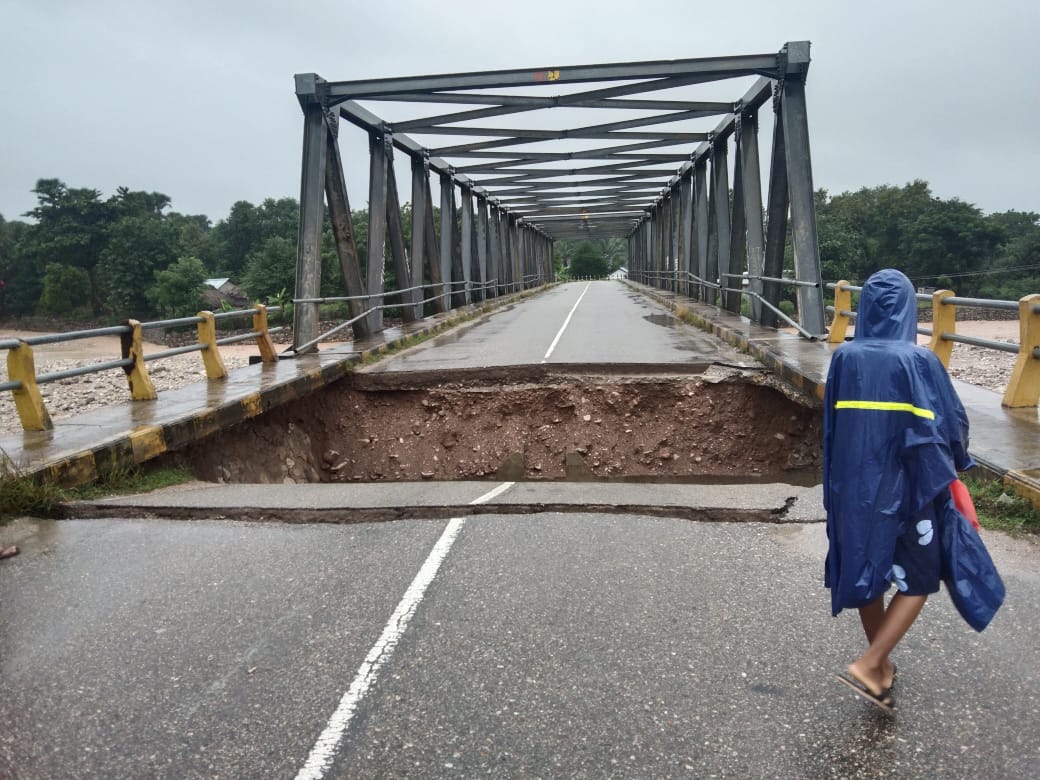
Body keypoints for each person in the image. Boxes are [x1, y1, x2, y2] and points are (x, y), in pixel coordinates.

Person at [823, 268, 974, 712]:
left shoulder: (845, 358)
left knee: (866, 571)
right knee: (921, 577)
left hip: (853, 487)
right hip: (910, 489)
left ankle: (880, 669)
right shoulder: (919, 360)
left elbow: (831, 428)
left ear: (864, 307)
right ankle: (870, 664)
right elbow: (949, 425)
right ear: (910, 308)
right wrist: (957, 467)